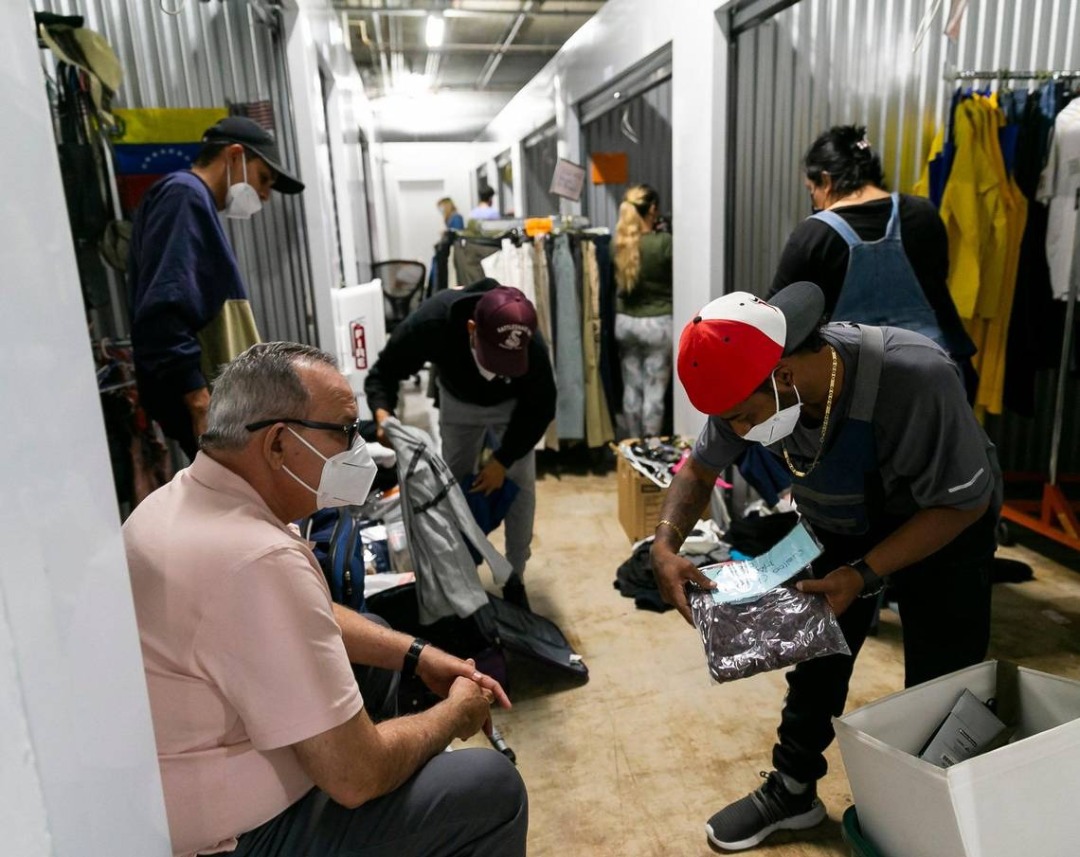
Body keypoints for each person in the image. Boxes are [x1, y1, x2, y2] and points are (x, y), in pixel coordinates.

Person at [123, 341, 528, 857]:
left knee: (376, 639)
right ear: (276, 444)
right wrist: (456, 713)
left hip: (174, 791)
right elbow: (357, 775)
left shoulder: (180, 500)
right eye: (344, 431)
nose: (359, 451)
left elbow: (304, 614)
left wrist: (417, 654)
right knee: (491, 789)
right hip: (232, 840)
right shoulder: (255, 558)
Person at [651, 282, 1000, 852]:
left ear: (783, 374)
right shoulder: (746, 383)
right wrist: (664, 544)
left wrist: (865, 574)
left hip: (944, 520)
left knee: (943, 682)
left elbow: (963, 502)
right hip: (843, 521)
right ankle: (792, 791)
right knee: (818, 649)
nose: (738, 433)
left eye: (743, 417)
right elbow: (697, 469)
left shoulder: (913, 377)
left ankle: (936, 813)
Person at [365, 281, 556, 610]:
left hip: (512, 407)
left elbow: (541, 407)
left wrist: (502, 460)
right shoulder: (433, 323)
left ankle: (514, 575)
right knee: (451, 486)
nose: (496, 372)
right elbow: (383, 373)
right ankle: (460, 571)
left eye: (507, 364)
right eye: (493, 359)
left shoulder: (530, 341)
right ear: (471, 329)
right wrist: (383, 415)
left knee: (520, 484)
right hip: (458, 400)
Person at [128, 116, 305, 459]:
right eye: (264, 178)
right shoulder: (184, 196)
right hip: (212, 410)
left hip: (222, 409)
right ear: (235, 155)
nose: (266, 195)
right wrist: (199, 402)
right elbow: (164, 307)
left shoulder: (190, 199)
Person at [770, 124, 978, 400]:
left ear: (826, 181)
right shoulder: (924, 215)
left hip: (857, 390)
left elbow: (776, 320)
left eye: (812, 191)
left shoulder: (813, 235)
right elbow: (939, 284)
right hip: (937, 381)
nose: (816, 203)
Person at [613, 183, 674, 438]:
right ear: (652, 209)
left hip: (626, 324)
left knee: (631, 389)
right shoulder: (664, 243)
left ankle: (631, 447)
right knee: (654, 393)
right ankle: (650, 452)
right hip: (658, 325)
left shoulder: (618, 245)